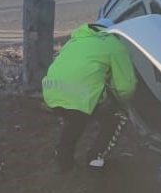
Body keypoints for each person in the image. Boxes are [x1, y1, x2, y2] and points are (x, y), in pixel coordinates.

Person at [42, 19, 137, 172]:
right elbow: (126, 86)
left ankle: (64, 158)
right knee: (116, 116)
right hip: (79, 95)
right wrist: (122, 102)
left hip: (51, 91)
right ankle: (96, 159)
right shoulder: (114, 45)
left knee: (76, 119)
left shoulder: (74, 41)